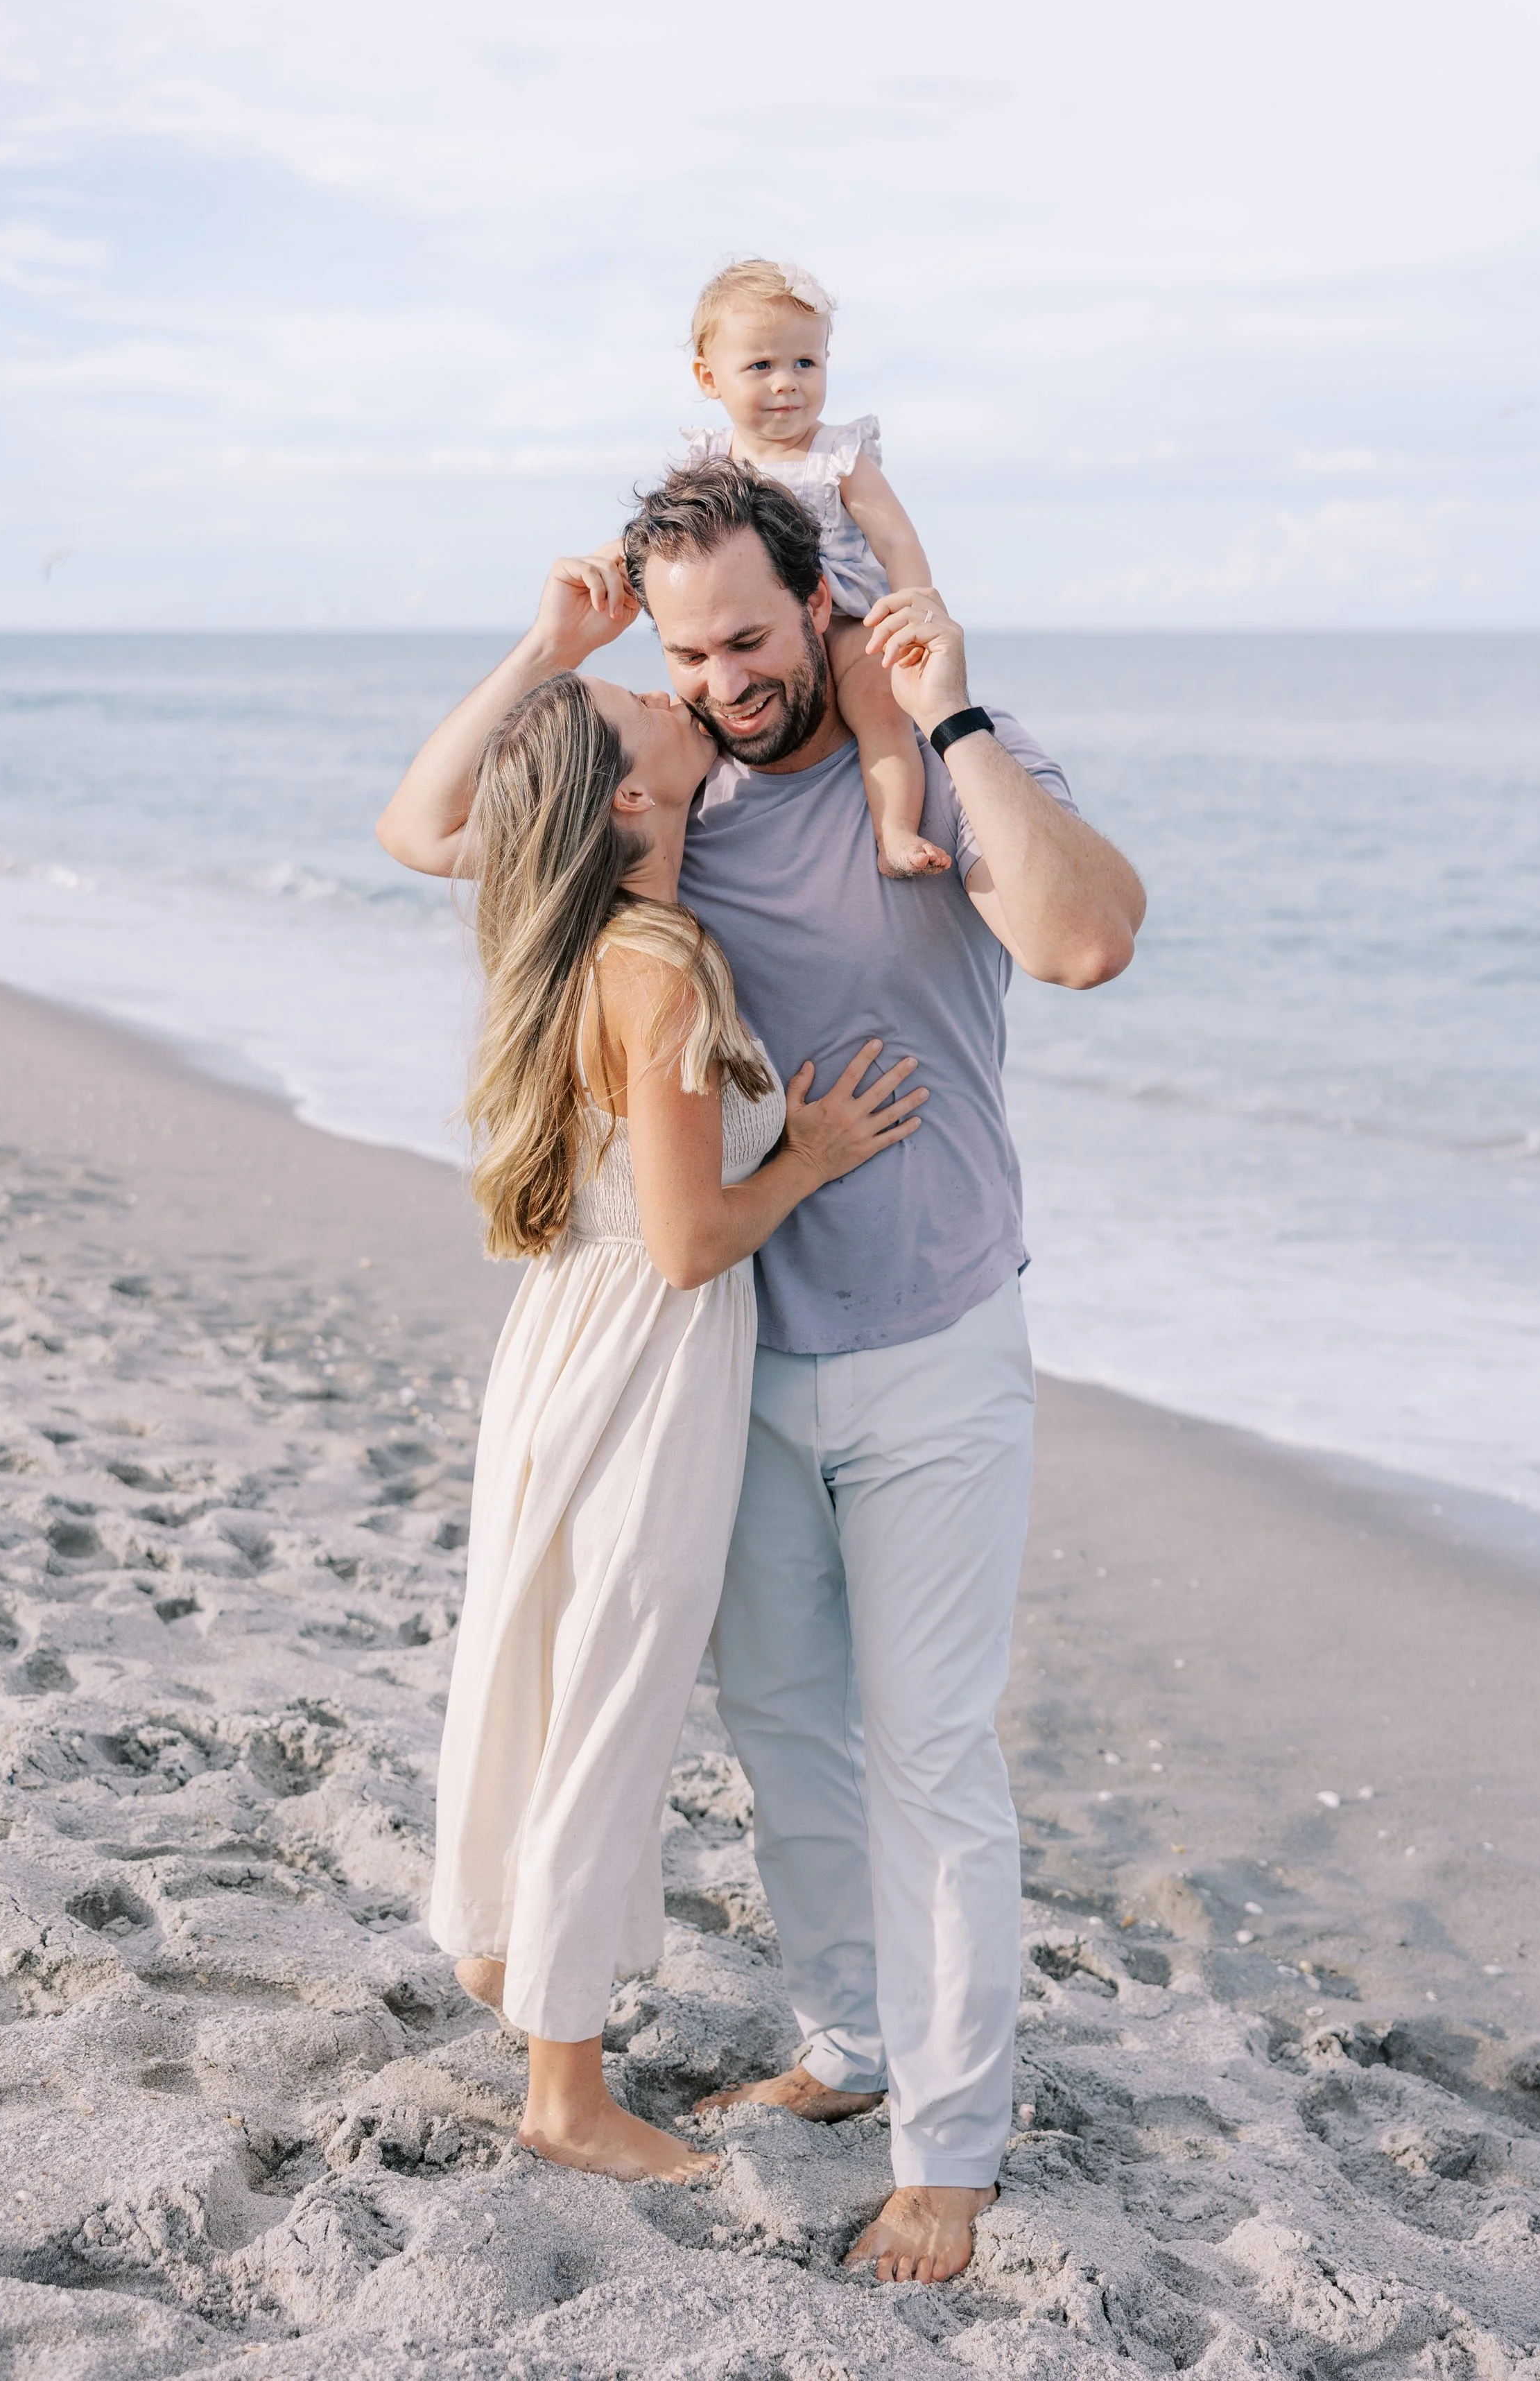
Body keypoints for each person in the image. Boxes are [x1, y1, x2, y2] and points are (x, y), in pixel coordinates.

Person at [382, 458, 1143, 2283]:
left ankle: (946, 2139)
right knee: (792, 1733)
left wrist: (945, 699)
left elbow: (1085, 938)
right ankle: (850, 2042)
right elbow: (427, 832)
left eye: (749, 632)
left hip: (936, 1335)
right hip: (734, 1369)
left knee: (931, 1748)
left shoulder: (933, 766)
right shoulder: (680, 797)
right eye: (687, 646)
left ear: (822, 598)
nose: (723, 673)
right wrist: (547, 645)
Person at [379, 666, 924, 2185]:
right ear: (629, 795)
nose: (673, 692)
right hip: (648, 1356)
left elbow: (414, 823)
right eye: (640, 703)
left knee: (548, 1674)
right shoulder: (657, 965)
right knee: (609, 1699)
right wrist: (808, 1154)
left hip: (571, 1341)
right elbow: (692, 1242)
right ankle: (563, 2093)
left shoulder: (567, 928)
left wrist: (547, 641)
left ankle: (515, 1963)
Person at [679, 257, 947, 883]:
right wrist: (609, 559)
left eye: (806, 363)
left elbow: (896, 537)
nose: (786, 383)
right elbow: (672, 537)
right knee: (696, 721)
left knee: (881, 706)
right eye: (761, 366)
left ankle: (897, 832)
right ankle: (688, 834)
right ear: (709, 377)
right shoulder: (710, 461)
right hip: (749, 631)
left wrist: (918, 606)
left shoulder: (838, 455)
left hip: (846, 619)